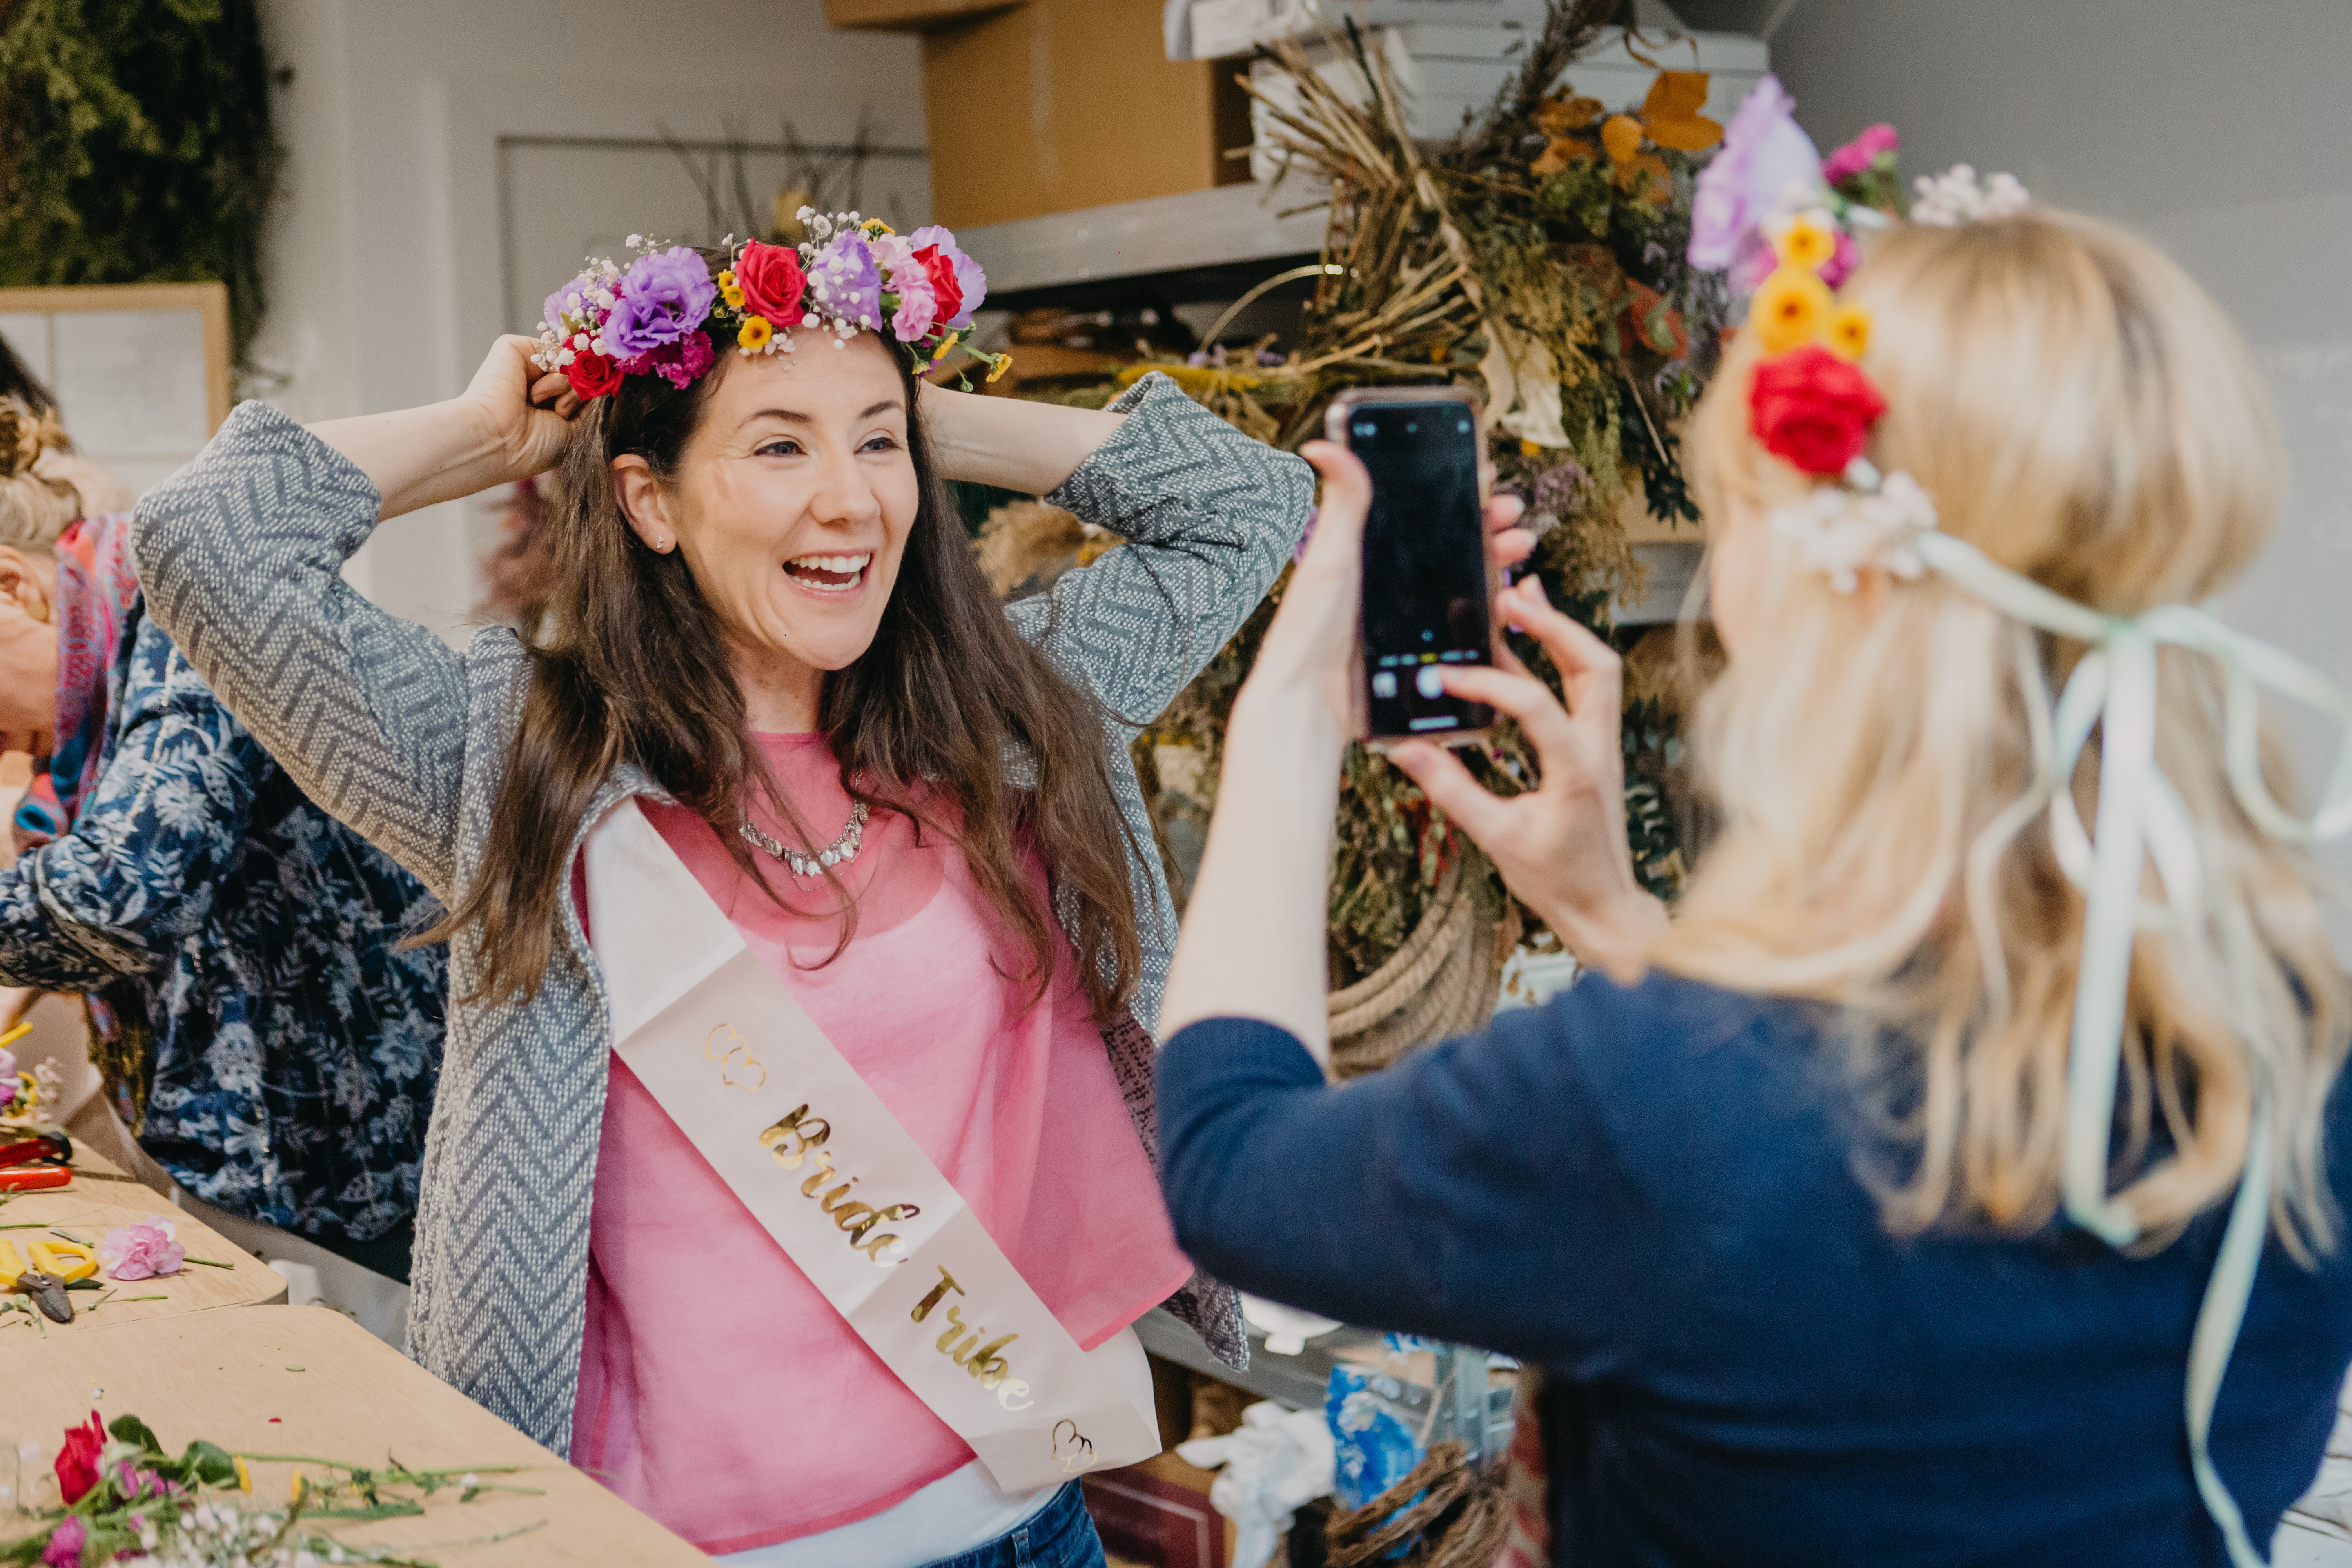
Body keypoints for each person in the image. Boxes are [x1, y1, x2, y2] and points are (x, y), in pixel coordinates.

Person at [1153, 196, 2352, 1564]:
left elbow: (1232, 1165)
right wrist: (1616, 920)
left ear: (1828, 579)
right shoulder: (2297, 1038)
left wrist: (1297, 707)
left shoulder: (1659, 1097)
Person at [131, 220, 1310, 1566]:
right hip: (675, 1548)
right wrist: (490, 433)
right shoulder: (509, 761)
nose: (850, 501)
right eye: (779, 445)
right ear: (650, 501)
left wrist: (926, 422)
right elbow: (202, 541)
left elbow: (1248, 507)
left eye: (874, 446)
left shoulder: (1007, 722)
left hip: (1025, 1521)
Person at [0, 393, 446, 1286]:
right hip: (280, 1175)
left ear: (13, 586)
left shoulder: (175, 603)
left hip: (363, 1172)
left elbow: (126, 895)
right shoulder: (93, 714)